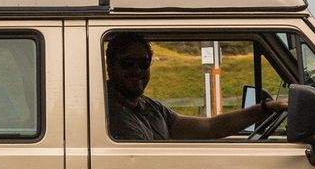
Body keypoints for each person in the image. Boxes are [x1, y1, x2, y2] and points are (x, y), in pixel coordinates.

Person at [105, 33, 286, 142]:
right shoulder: (104, 112)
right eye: (128, 63)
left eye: (143, 63)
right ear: (110, 65)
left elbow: (211, 127)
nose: (137, 70)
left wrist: (264, 108)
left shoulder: (150, 108)